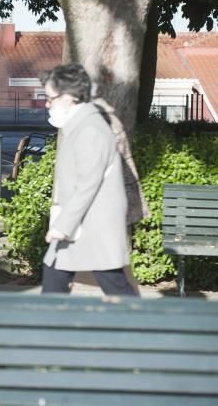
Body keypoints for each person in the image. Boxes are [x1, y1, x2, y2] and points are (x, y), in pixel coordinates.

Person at [39, 63, 136, 296]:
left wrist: (63, 225)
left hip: (93, 223)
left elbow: (88, 183)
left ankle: (146, 328)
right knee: (56, 274)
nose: (47, 104)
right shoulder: (83, 125)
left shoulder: (90, 129)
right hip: (86, 223)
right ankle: (46, 328)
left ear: (70, 97)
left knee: (113, 283)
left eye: (50, 98)